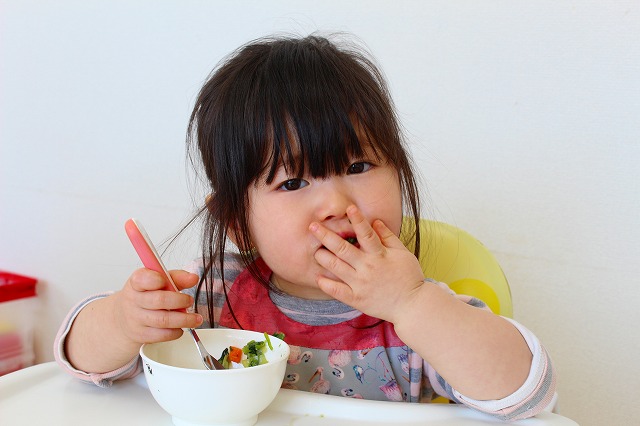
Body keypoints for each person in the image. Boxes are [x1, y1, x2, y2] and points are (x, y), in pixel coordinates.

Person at [54, 34, 556, 421]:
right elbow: (81, 361)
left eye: (358, 167)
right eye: (293, 182)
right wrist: (123, 322)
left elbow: (527, 393)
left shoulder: (418, 314)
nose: (336, 203)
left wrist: (411, 304)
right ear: (237, 223)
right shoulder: (212, 299)